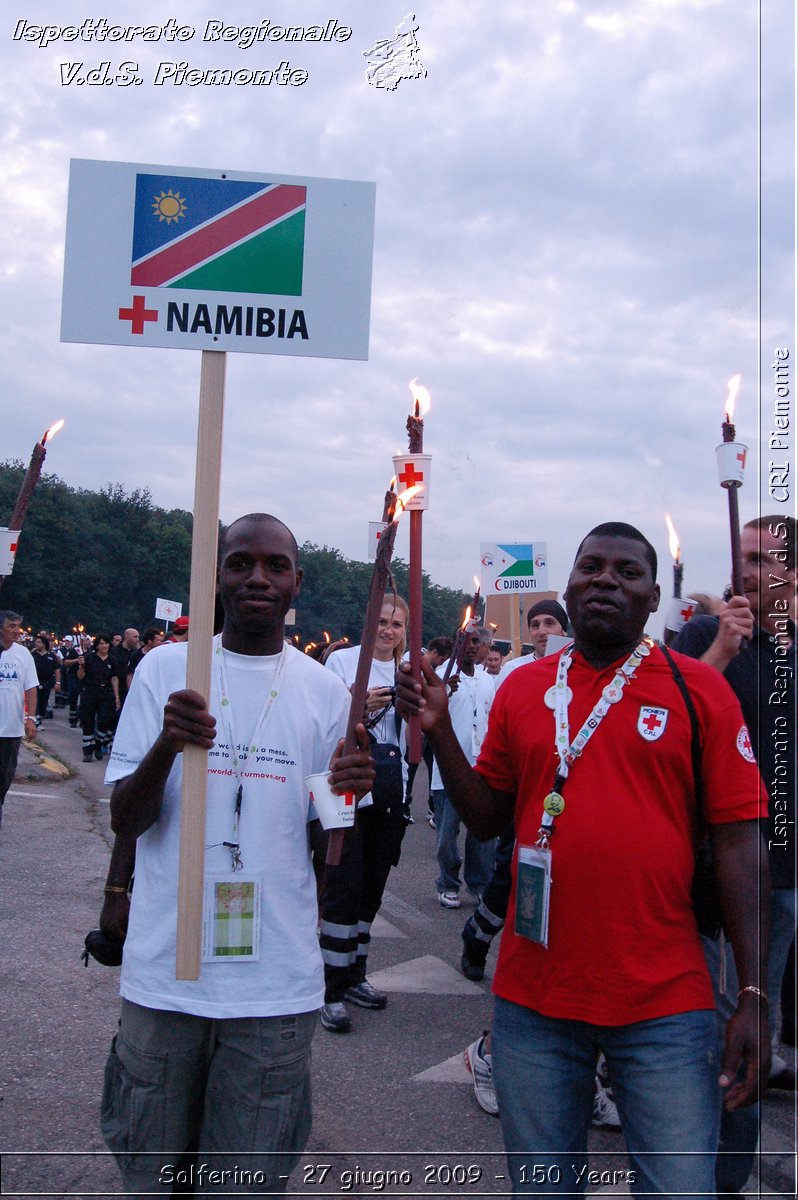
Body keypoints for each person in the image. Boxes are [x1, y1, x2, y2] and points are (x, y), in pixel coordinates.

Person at [397, 521, 769, 1197]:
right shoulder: (522, 688)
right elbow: (486, 818)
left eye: (627, 573)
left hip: (668, 1001)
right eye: (591, 567)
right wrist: (440, 729)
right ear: (568, 587)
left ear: (653, 598)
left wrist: (751, 994)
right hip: (536, 1000)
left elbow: (743, 844)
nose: (606, 580)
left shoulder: (699, 691)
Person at [100, 513, 374, 1195]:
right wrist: (168, 744)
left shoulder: (324, 691)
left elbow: (330, 839)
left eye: (275, 565)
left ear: (296, 582)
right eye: (240, 562)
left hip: (273, 988)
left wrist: (350, 790)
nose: (258, 577)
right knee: (151, 1178)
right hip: (167, 978)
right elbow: (125, 819)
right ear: (214, 575)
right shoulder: (167, 669)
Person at [673, 514, 796, 1193]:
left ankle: (727, 1174)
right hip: (714, 869)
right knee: (724, 1021)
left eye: (759, 559)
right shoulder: (702, 635)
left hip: (785, 873)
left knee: (760, 1017)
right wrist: (720, 648)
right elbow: (661, 716)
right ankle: (706, 1170)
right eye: (740, 555)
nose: (742, 568)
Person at [317, 597, 410, 1033]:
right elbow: (323, 720)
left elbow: (417, 734)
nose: (388, 631)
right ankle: (328, 984)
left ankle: (355, 970)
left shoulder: (409, 669)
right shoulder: (342, 662)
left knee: (373, 880)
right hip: (348, 783)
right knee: (343, 879)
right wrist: (358, 706)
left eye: (396, 624)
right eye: (382, 621)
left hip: (391, 784)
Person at [432, 627, 496, 909]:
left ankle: (480, 883)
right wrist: (444, 689)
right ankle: (447, 882)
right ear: (455, 643)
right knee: (447, 836)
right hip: (449, 769)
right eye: (465, 641)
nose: (471, 647)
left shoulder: (486, 680)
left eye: (476, 642)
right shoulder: (440, 677)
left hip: (481, 768)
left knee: (483, 835)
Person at [0, 610, 38, 829]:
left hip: (11, 729)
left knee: (4, 779)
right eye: (11, 626)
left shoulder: (23, 654)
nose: (16, 630)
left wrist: (31, 718)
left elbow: (31, 687)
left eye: (18, 626)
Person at [496, 599, 570, 686]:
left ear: (563, 631)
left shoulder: (575, 669)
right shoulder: (512, 669)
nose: (541, 631)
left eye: (549, 623)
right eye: (535, 625)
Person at [77, 633, 120, 761]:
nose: (104, 646)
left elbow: (114, 678)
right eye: (101, 643)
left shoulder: (112, 660)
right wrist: (81, 666)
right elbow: (80, 676)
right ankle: (87, 750)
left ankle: (98, 744)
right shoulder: (89, 658)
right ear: (97, 645)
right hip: (90, 690)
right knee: (88, 720)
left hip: (106, 692)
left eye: (106, 643)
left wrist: (116, 695)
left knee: (104, 720)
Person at [31, 634, 61, 727]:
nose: (37, 643)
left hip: (46, 682)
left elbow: (57, 669)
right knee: (35, 700)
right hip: (34, 681)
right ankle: (35, 720)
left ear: (44, 644)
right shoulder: (32, 655)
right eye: (36, 641)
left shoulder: (51, 656)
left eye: (39, 642)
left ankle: (40, 718)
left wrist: (57, 682)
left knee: (43, 701)